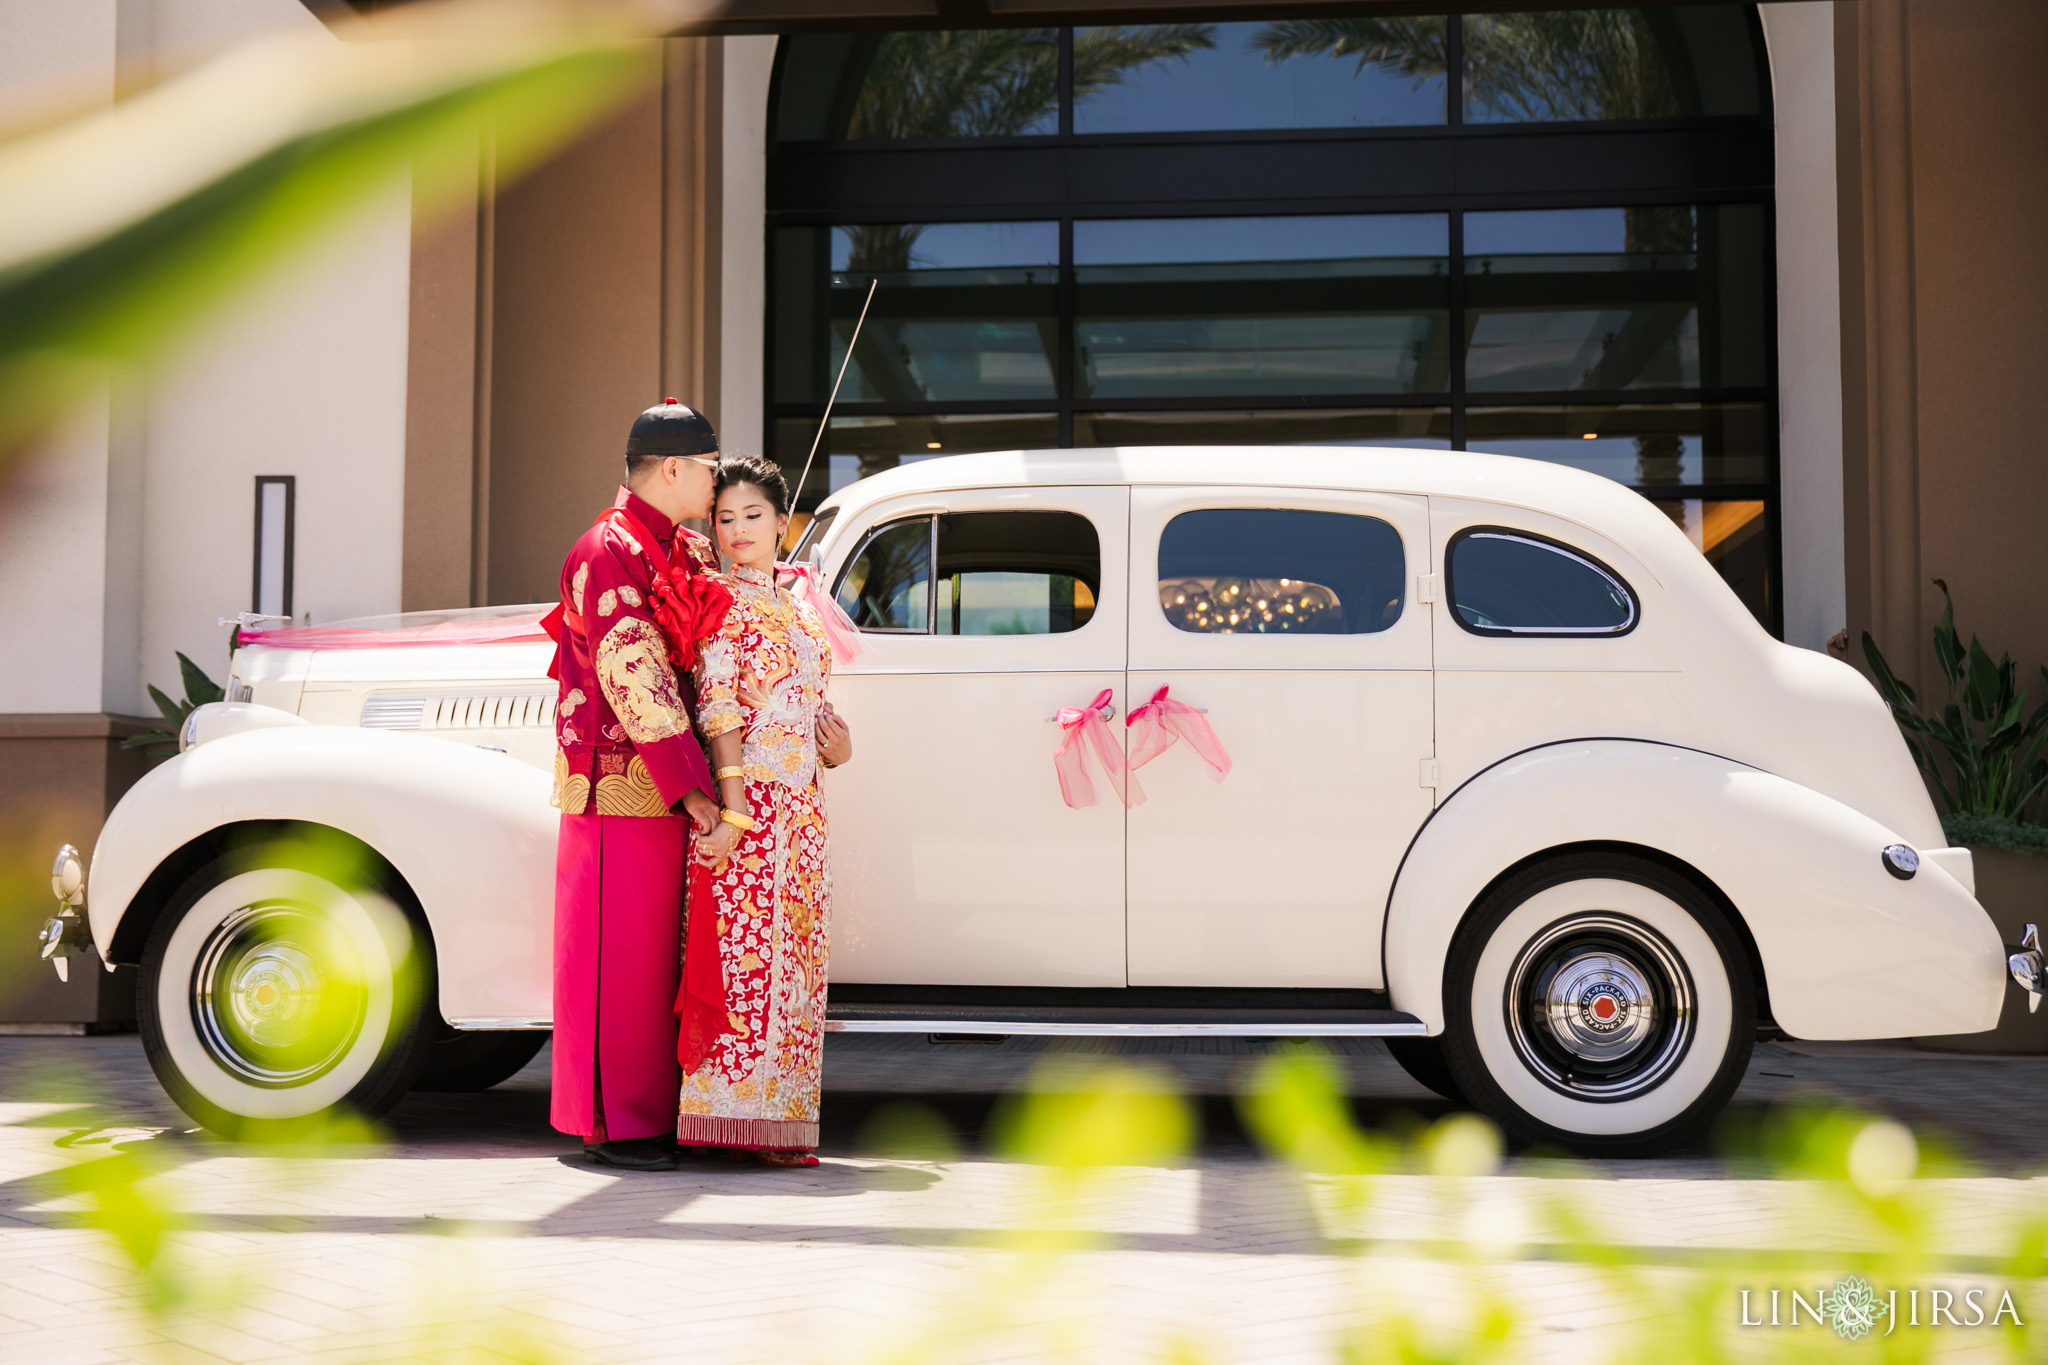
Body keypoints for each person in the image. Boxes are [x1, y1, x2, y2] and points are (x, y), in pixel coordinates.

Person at [545, 398, 732, 1172]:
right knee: (616, 961)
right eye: (712, 469)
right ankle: (611, 1123)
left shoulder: (675, 547)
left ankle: (647, 1113)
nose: (717, 485)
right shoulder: (609, 547)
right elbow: (635, 677)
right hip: (620, 787)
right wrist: (699, 794)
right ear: (673, 468)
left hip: (663, 783)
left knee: (655, 961)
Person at [675, 454, 853, 1167]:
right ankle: (728, 1120)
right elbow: (717, 705)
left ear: (784, 521)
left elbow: (808, 709)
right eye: (725, 517)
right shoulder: (722, 601)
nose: (739, 528)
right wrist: (736, 811)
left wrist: (838, 748)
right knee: (747, 965)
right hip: (752, 813)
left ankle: (782, 1124)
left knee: (798, 971)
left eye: (754, 515)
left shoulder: (800, 608)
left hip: (805, 812)